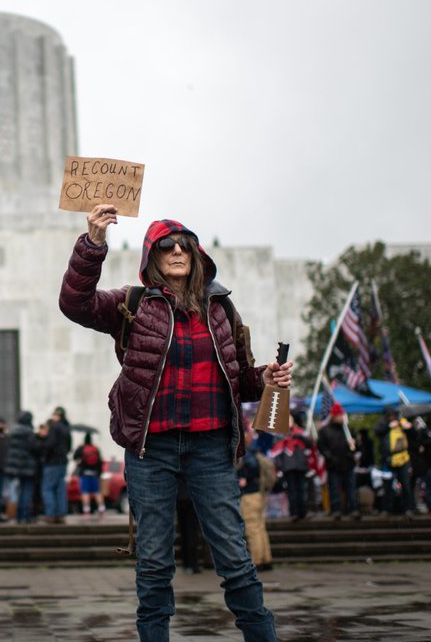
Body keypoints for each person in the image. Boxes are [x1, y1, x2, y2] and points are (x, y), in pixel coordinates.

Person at [59, 206, 292, 641]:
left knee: (234, 557)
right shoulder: (132, 303)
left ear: (199, 255)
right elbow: (75, 303)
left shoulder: (221, 310)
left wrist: (266, 379)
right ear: (151, 256)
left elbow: (239, 379)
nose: (179, 249)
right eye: (167, 244)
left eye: (187, 243)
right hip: (152, 451)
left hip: (211, 449)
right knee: (153, 563)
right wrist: (93, 243)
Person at [238, 429, 273, 571]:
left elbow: (251, 466)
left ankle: (257, 560)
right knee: (260, 527)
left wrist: (244, 478)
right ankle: (266, 558)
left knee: (252, 528)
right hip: (258, 494)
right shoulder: (256, 451)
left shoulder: (247, 455)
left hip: (249, 495)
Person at [316, 403, 358, 520]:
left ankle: (353, 509)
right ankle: (336, 510)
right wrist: (330, 458)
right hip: (334, 465)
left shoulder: (347, 429)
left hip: (348, 464)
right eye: (339, 415)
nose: (341, 417)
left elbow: (356, 447)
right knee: (334, 488)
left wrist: (354, 446)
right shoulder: (325, 431)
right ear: (334, 416)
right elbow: (321, 447)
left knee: (350, 488)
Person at [379, 407, 416, 516]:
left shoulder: (402, 423)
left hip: (403, 459)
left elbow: (414, 436)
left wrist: (409, 428)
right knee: (387, 486)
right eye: (390, 415)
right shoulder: (383, 424)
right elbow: (377, 431)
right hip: (388, 460)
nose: (392, 417)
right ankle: (386, 509)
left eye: (394, 415)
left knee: (406, 484)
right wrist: (388, 426)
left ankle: (408, 508)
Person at [5, 411, 40, 524]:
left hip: (14, 466)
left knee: (17, 491)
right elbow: (34, 448)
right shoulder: (29, 433)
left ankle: (19, 516)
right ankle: (25, 516)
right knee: (27, 491)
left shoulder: (13, 432)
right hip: (27, 466)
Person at [39, 406, 71, 524]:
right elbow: (69, 446)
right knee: (60, 489)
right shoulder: (66, 427)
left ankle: (50, 514)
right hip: (62, 462)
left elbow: (49, 444)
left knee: (47, 488)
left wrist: (44, 456)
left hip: (52, 462)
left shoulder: (54, 426)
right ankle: (61, 514)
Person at [277, 422, 312, 521]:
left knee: (302, 489)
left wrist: (300, 437)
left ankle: (303, 512)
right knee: (292, 490)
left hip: (300, 466)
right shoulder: (281, 434)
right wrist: (281, 466)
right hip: (288, 467)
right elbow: (277, 450)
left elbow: (310, 444)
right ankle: (294, 512)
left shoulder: (301, 433)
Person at [73, 432, 104, 517]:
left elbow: (75, 457)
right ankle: (101, 509)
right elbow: (100, 462)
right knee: (97, 492)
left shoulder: (81, 448)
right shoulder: (95, 449)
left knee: (85, 492)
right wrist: (99, 473)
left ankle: (86, 510)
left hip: (84, 473)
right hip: (94, 474)